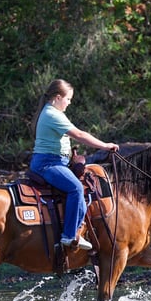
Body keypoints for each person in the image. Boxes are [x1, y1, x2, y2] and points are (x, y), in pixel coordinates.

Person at [29, 79, 119, 251]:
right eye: (68, 99)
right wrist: (105, 145)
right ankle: (69, 236)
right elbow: (79, 134)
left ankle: (77, 229)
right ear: (57, 97)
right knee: (75, 188)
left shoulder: (54, 112)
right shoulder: (51, 114)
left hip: (57, 161)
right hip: (48, 163)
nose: (69, 103)